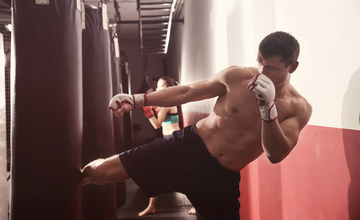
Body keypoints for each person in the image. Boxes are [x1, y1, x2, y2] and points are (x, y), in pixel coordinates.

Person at [81, 31, 312, 220]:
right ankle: (64, 186)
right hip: (187, 148)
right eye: (259, 63)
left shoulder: (298, 109)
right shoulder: (236, 77)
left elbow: (276, 154)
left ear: (292, 67)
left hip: (221, 178)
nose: (260, 73)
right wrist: (137, 99)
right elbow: (187, 91)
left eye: (270, 68)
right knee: (101, 172)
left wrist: (267, 109)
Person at [139, 76, 195, 216]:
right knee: (158, 172)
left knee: (180, 174)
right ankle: (152, 206)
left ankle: (197, 205)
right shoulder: (166, 102)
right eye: (156, 86)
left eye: (161, 86)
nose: (157, 89)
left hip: (173, 140)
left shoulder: (167, 103)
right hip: (168, 139)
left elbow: (157, 124)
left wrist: (147, 112)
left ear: (168, 88)